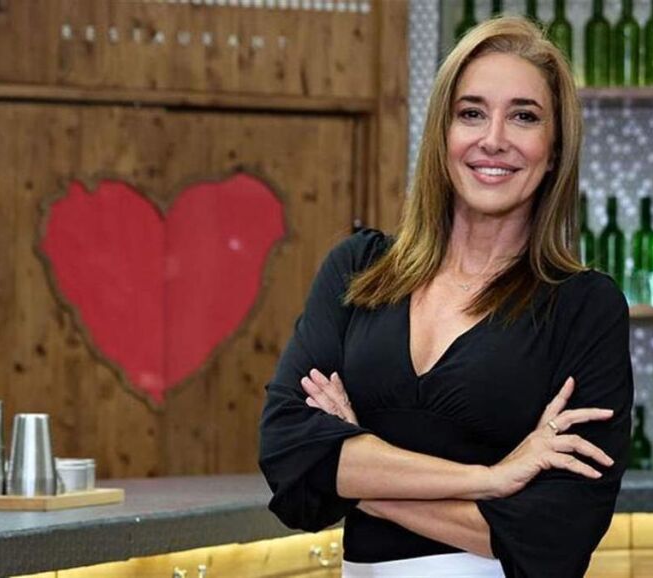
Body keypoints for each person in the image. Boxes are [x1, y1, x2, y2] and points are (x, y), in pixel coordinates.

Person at [257, 16, 633, 578]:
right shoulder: (358, 271)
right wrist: (490, 479)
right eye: (471, 113)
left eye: (524, 116)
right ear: (443, 134)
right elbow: (288, 455)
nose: (494, 138)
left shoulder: (584, 308)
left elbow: (556, 537)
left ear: (554, 149)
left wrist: (354, 472)